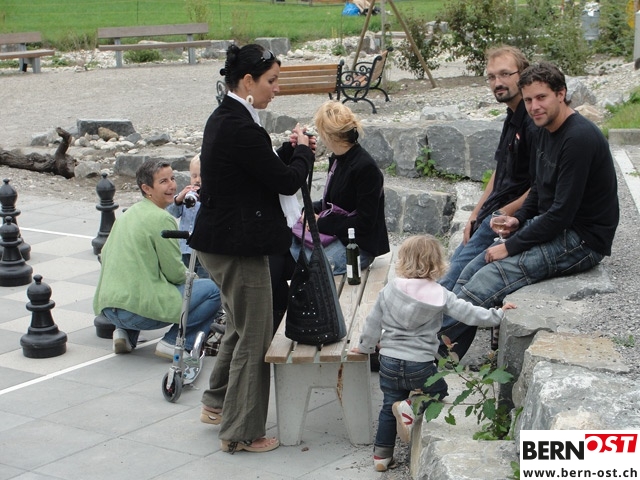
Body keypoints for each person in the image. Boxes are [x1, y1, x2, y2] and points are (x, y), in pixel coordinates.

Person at [439, 61, 620, 360]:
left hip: (583, 239)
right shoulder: (543, 129)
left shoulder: (579, 139)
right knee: (471, 268)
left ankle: (422, 353)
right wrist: (517, 219)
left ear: (561, 94)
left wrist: (510, 247)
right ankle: (442, 349)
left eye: (541, 97)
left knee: (488, 279)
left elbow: (561, 214)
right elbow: (538, 189)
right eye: (528, 100)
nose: (534, 107)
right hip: (554, 224)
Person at [188, 44, 315, 454]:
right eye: (271, 81)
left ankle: (216, 404)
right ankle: (241, 432)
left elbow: (259, 169)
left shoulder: (228, 117)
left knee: (241, 327)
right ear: (247, 81)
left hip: (222, 242)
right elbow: (285, 181)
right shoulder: (240, 125)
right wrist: (303, 153)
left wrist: (288, 153)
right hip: (237, 247)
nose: (276, 89)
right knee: (255, 337)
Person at [351, 235, 512, 472]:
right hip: (420, 364)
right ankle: (411, 405)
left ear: (403, 260)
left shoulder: (390, 290)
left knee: (388, 405)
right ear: (437, 263)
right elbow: (469, 314)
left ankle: (381, 457)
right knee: (438, 392)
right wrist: (498, 314)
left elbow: (372, 323)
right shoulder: (441, 294)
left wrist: (364, 348)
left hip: (389, 361)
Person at [93, 159, 222, 360]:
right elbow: (175, 274)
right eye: (163, 181)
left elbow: (106, 254)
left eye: (172, 178)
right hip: (135, 312)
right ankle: (173, 342)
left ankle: (124, 334)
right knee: (213, 290)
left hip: (108, 308)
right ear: (146, 188)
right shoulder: (162, 218)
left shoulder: (128, 214)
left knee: (138, 279)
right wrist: (195, 279)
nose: (172, 185)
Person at [438, 45, 535, 292]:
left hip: (508, 218)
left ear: (523, 74)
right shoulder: (511, 116)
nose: (497, 83)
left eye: (505, 74)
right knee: (450, 273)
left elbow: (541, 184)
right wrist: (475, 213)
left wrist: (503, 213)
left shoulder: (532, 121)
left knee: (451, 281)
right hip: (492, 212)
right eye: (491, 77)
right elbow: (499, 170)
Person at [290, 100, 390, 276]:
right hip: (338, 235)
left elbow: (365, 223)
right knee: (288, 242)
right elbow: (333, 202)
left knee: (308, 263)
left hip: (357, 246)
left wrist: (319, 223)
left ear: (328, 135)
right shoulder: (339, 159)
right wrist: (310, 210)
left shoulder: (365, 168)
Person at [165, 153, 209, 279]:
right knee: (186, 278)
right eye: (194, 176)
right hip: (185, 248)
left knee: (204, 279)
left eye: (201, 176)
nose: (197, 180)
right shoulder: (187, 195)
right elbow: (173, 212)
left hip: (202, 249)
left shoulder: (210, 196)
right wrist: (179, 199)